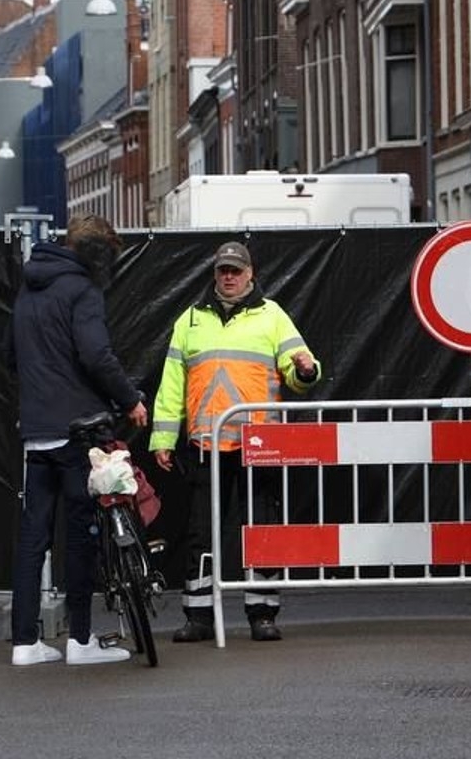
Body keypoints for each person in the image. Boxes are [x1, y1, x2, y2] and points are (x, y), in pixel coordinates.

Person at [150, 240, 320, 643]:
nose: (229, 276)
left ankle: (262, 613)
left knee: (260, 529)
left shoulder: (272, 316)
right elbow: (171, 385)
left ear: (250, 274)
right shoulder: (189, 320)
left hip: (258, 443)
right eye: (223, 270)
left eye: (236, 270)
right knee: (200, 534)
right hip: (206, 445)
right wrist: (163, 438)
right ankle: (199, 616)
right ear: (214, 274)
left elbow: (300, 370)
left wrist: (307, 371)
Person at [6, 215, 148, 667]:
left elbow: (8, 352)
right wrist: (129, 400)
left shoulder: (29, 288)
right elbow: (96, 354)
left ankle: (25, 643)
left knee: (34, 537)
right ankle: (80, 639)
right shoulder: (83, 290)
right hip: (76, 429)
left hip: (35, 429)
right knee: (82, 530)